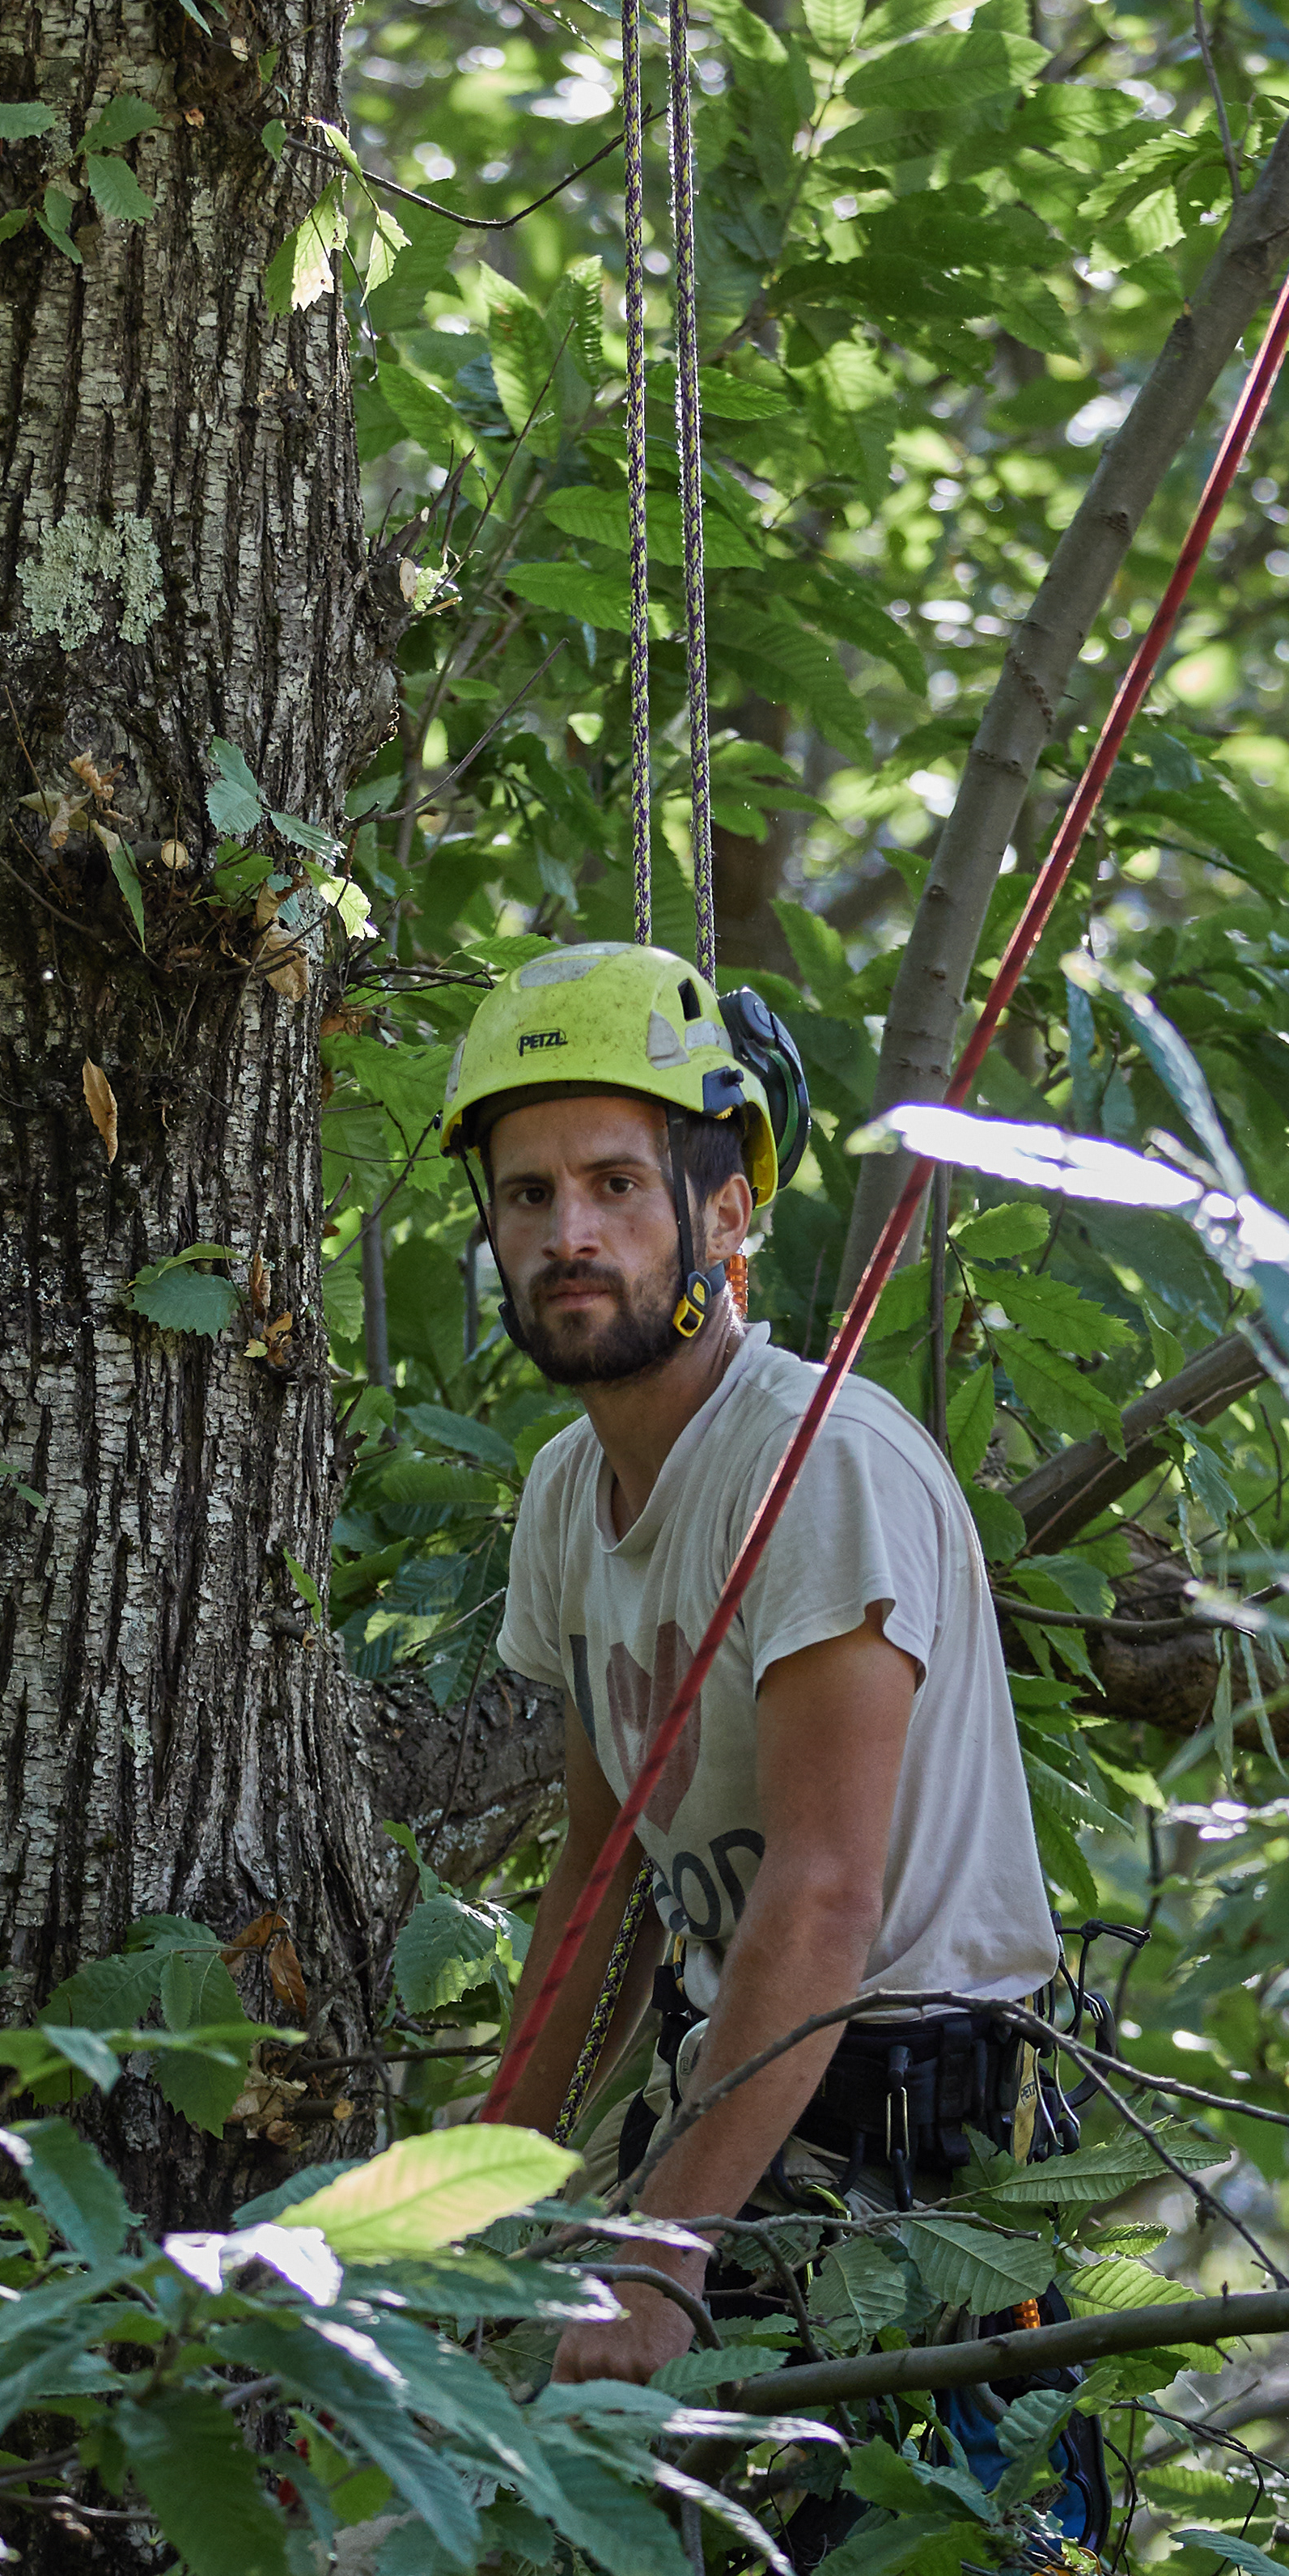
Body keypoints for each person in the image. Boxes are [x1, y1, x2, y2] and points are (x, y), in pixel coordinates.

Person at [443, 938, 1070, 2416]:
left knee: (887, 2552)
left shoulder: (817, 1466)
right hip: (726, 2108)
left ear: (724, 1212)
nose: (566, 1233)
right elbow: (603, 1878)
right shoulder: (567, 1494)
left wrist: (664, 2252)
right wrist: (471, 2207)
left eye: (615, 1184)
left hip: (914, 2150)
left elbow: (824, 1894)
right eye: (527, 1195)